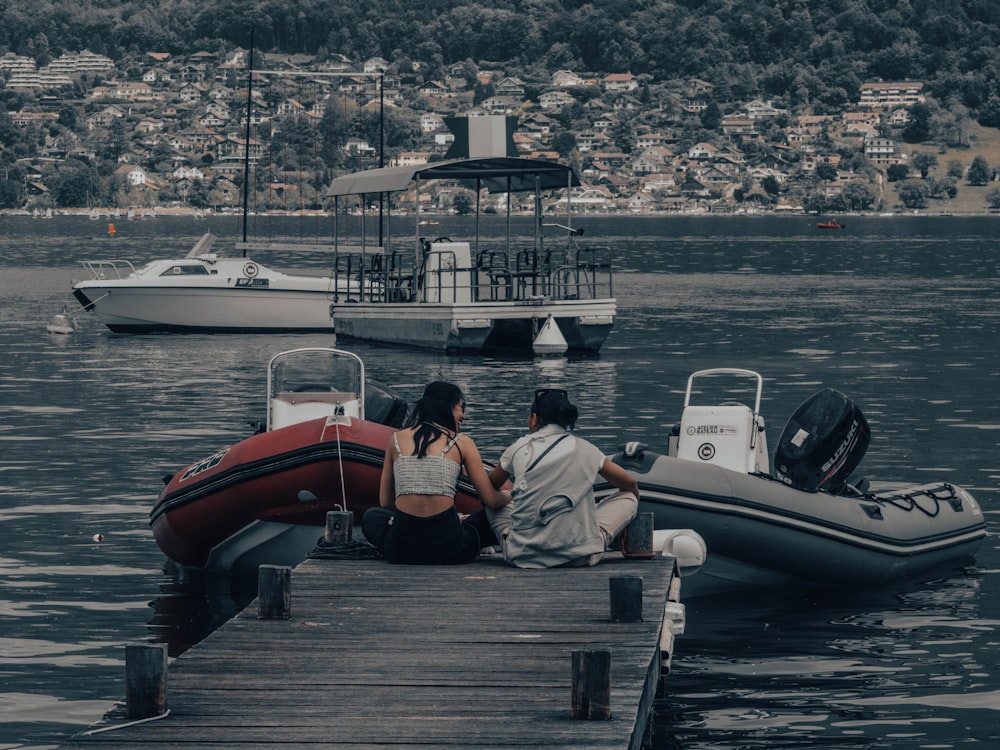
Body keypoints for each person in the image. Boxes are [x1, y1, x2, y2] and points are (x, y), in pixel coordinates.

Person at [485, 388, 639, 569]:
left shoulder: (518, 448)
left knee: (491, 503)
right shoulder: (587, 449)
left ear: (534, 418)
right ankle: (589, 536)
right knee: (629, 497)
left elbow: (491, 486)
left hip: (523, 555)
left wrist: (509, 495)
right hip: (582, 555)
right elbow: (629, 483)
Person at [362, 381, 512, 564]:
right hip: (452, 550)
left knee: (372, 517)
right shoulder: (462, 442)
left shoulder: (395, 439)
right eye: (461, 408)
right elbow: (492, 501)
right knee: (489, 517)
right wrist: (510, 496)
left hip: (401, 549)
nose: (463, 416)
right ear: (448, 406)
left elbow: (386, 502)